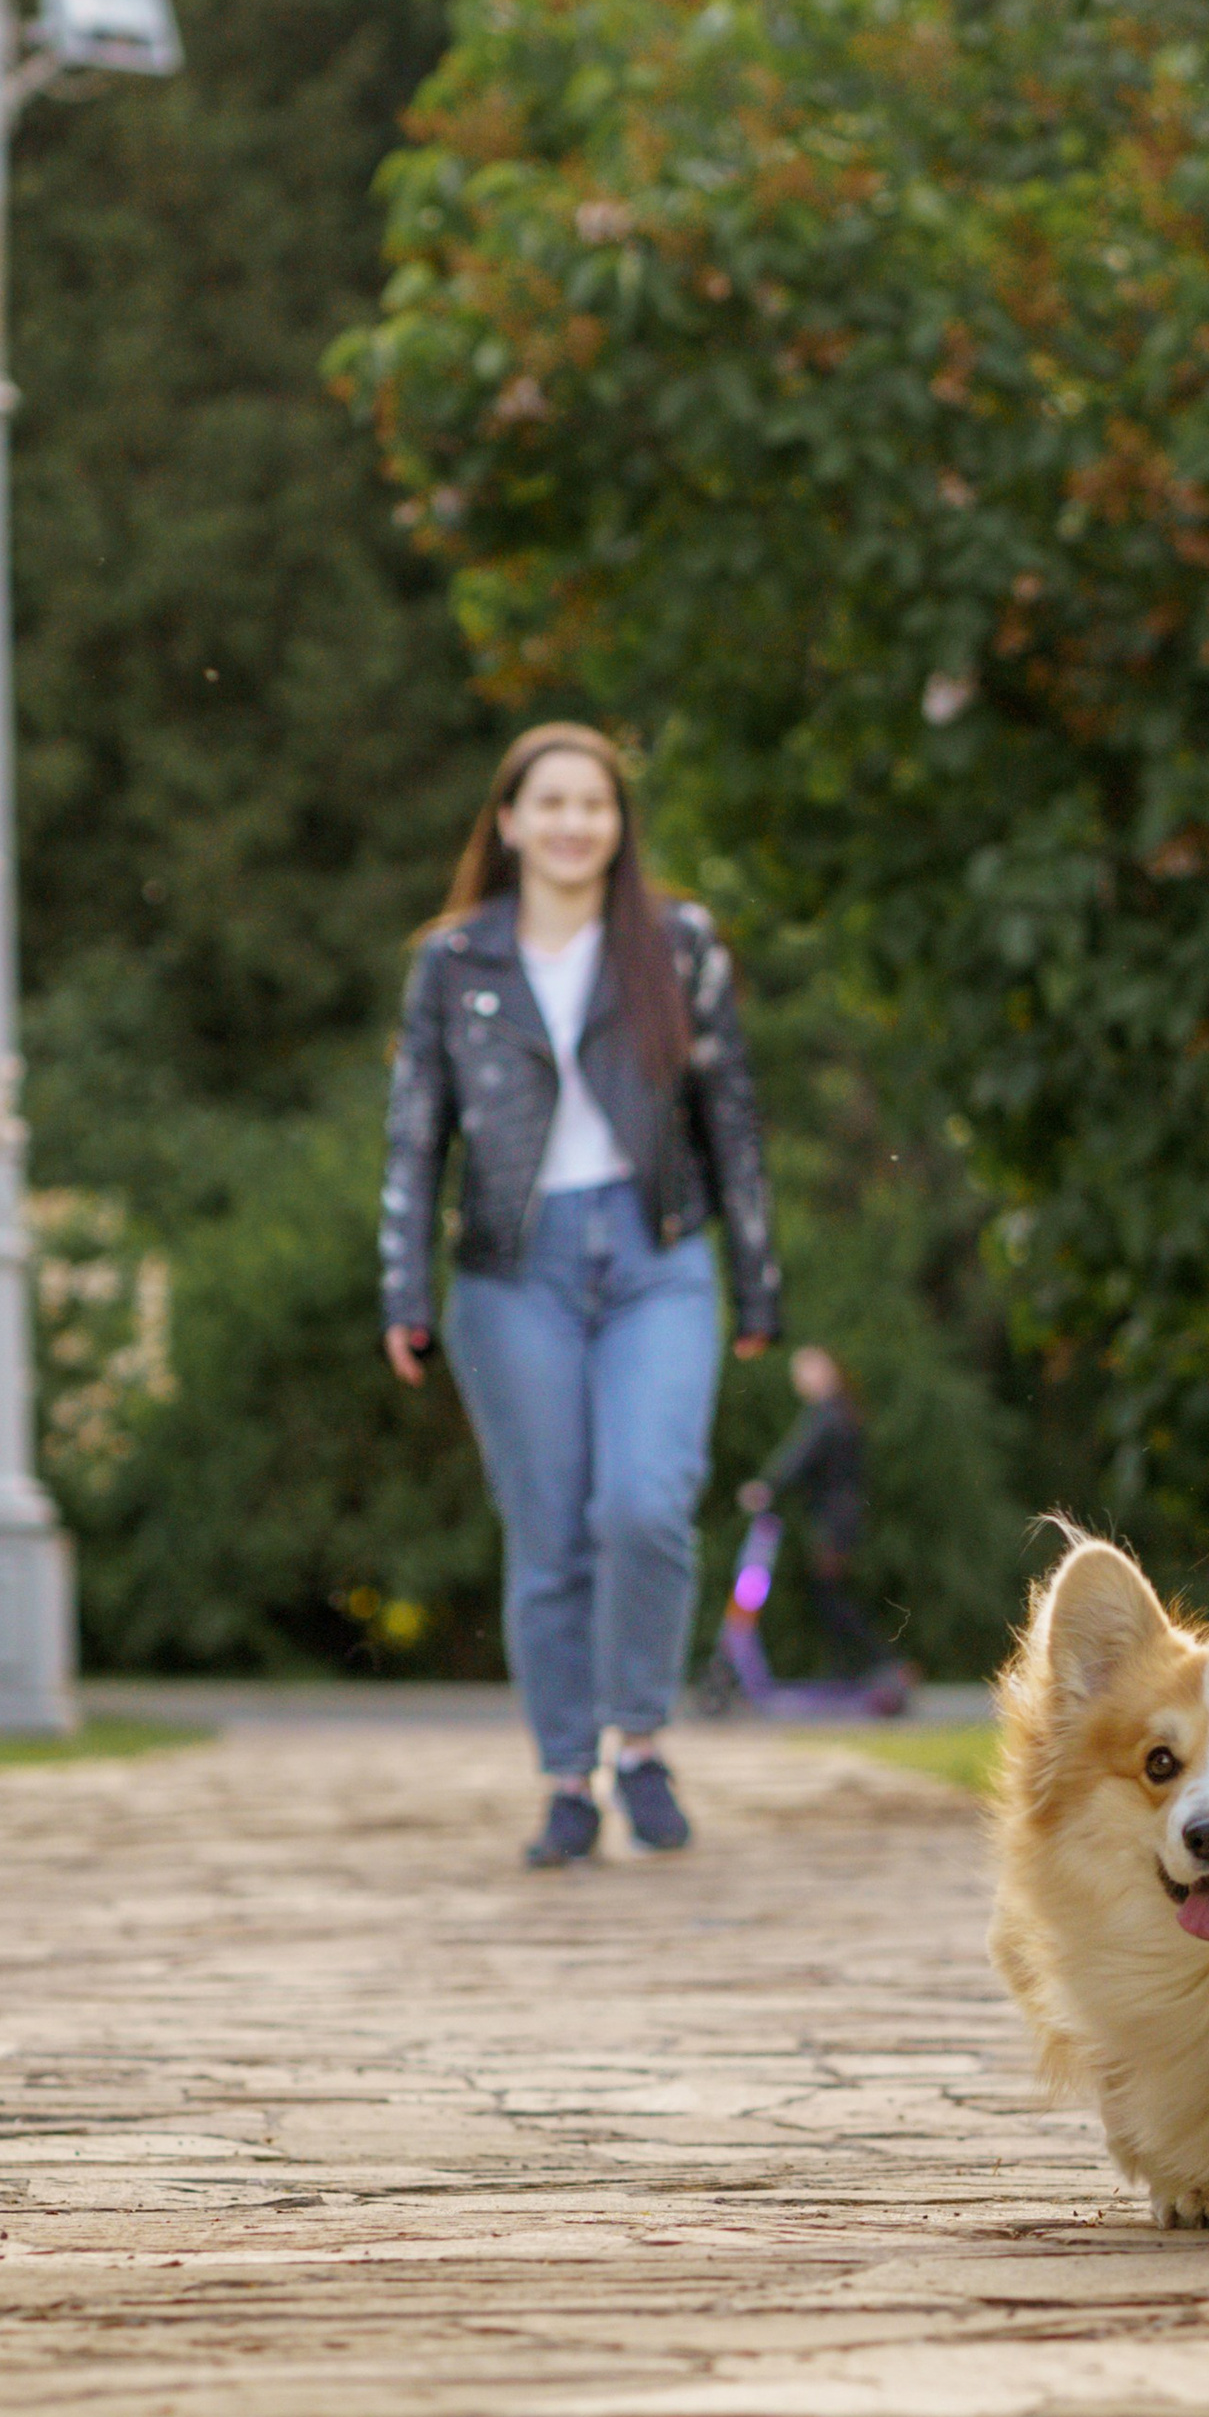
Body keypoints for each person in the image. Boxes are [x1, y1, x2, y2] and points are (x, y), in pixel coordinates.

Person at [381, 724, 780, 1866]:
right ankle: (567, 1777)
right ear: (506, 821)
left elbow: (730, 1118)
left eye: (593, 804)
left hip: (656, 1256)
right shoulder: (455, 963)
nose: (571, 824)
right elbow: (414, 1140)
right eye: (547, 803)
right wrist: (401, 1287)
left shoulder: (677, 944)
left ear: (617, 823)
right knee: (549, 1533)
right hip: (514, 1271)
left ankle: (641, 1743)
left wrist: (756, 1279)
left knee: (644, 1504)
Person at [739, 1347, 885, 1684]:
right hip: (841, 1517)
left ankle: (877, 1663)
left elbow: (798, 1458)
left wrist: (766, 1488)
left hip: (836, 1520)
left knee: (829, 1593)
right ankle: (853, 1667)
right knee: (829, 1593)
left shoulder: (828, 1415)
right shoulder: (840, 1411)